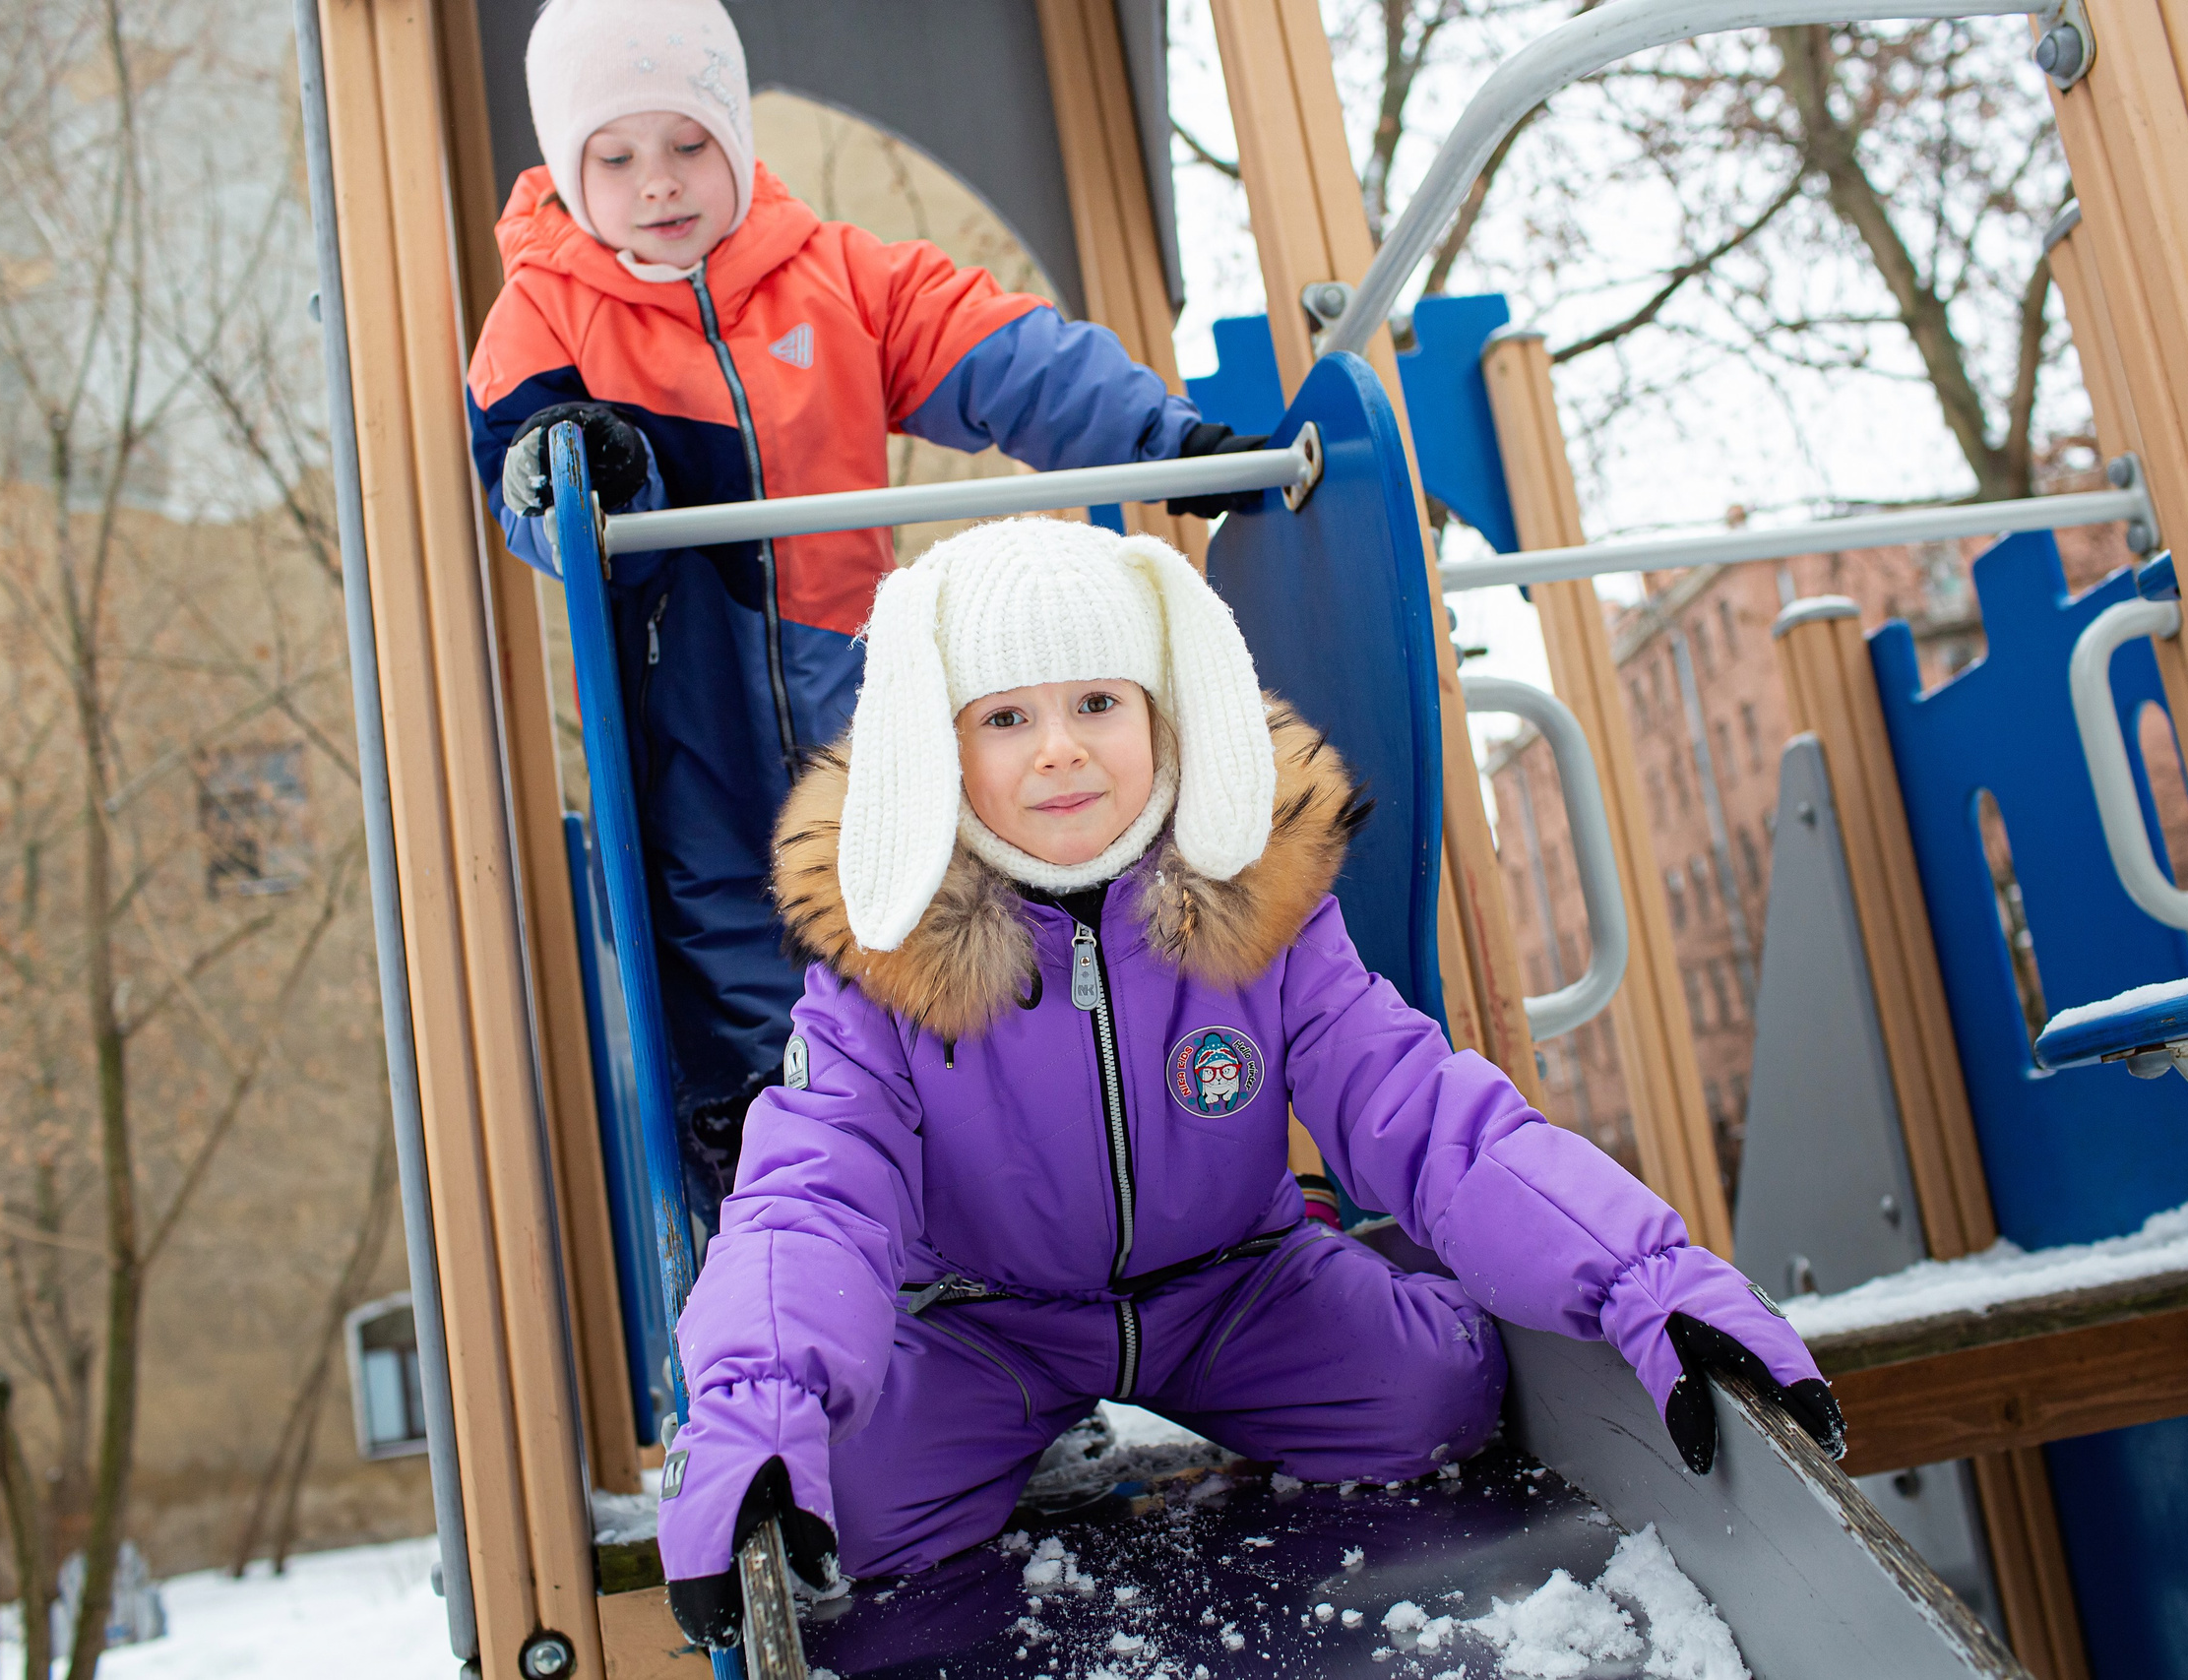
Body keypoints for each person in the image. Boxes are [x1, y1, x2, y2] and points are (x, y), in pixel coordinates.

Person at [654, 518, 1842, 1647]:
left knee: (1436, 1394)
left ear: (1164, 717)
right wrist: (759, 1408)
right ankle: (995, 1437)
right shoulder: (886, 959)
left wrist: (1651, 1279)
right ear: (938, 747)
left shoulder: (1254, 910)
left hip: (1230, 1287)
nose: (1060, 746)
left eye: (1099, 702)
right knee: (853, 1512)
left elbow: (1426, 1113)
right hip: (986, 1321)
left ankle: (1367, 1265)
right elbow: (813, 1194)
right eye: (1006, 716)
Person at [466, 0, 1259, 1218]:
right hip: (685, 703)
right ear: (571, 169)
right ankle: (767, 1238)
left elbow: (1000, 353)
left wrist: (1164, 445)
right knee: (726, 967)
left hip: (848, 682)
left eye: (686, 146)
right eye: (614, 159)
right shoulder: (545, 314)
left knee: (912, 937)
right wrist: (576, 467)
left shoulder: (831, 277)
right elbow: (531, 479)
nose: (658, 186)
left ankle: (991, 1281)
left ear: (732, 136)